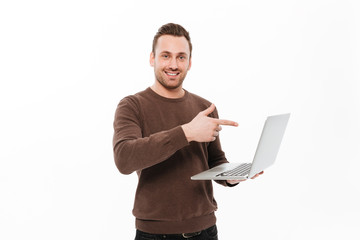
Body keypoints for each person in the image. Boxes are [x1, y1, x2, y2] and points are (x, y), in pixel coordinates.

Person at [113, 23, 263, 240]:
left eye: (181, 57)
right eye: (166, 55)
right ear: (152, 58)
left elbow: (214, 161)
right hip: (155, 234)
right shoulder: (132, 105)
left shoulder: (205, 108)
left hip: (206, 230)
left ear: (190, 62)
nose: (173, 64)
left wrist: (232, 176)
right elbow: (124, 159)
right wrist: (186, 133)